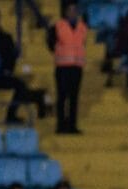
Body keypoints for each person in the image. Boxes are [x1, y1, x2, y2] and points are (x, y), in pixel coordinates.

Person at [47, 2, 87, 134]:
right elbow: (50, 43)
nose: (72, 12)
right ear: (65, 12)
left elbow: (82, 44)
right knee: (62, 97)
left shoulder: (82, 27)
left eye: (74, 10)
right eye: (70, 10)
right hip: (63, 67)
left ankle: (72, 125)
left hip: (77, 66)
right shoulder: (58, 26)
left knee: (74, 98)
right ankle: (61, 125)